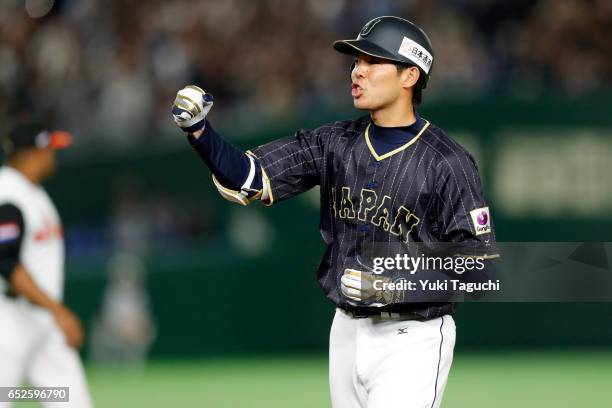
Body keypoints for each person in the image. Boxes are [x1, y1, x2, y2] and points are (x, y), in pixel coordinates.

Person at [172, 16, 498, 408]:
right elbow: (249, 175)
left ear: (410, 75)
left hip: (413, 337)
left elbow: (479, 269)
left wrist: (395, 286)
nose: (357, 71)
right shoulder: (333, 142)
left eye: (372, 62)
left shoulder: (448, 161)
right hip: (345, 331)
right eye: (355, 62)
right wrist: (200, 133)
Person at [0, 117, 92, 407]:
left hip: (41, 321)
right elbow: (5, 262)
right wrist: (58, 310)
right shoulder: (8, 194)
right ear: (32, 153)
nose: (54, 155)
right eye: (50, 149)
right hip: (9, 322)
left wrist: (52, 312)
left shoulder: (32, 192)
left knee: (72, 401)